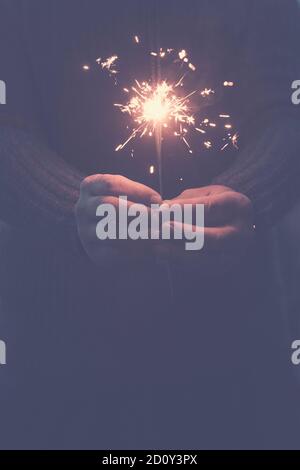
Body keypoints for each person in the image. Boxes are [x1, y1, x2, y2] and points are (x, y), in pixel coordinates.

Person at [0, 0, 300, 449]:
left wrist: (249, 193)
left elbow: (287, 108)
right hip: (62, 353)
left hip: (235, 344)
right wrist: (65, 205)